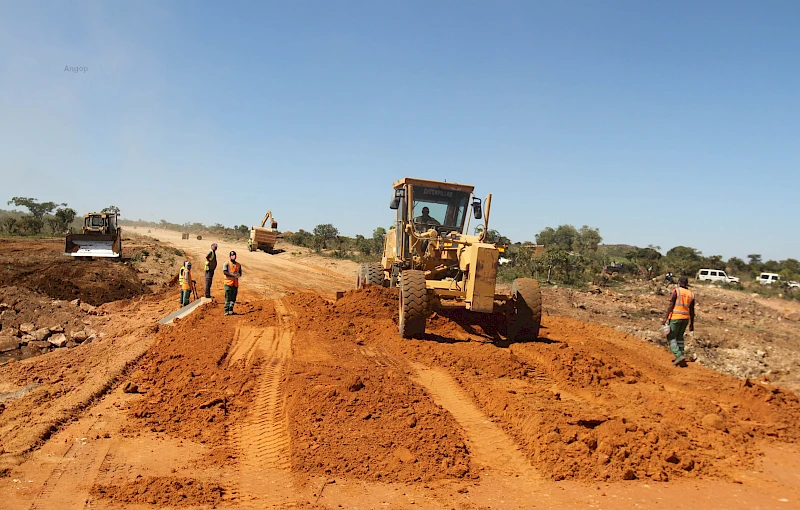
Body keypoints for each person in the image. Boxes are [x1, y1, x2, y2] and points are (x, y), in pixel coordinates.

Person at [662, 275, 695, 366]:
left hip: (675, 318)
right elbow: (692, 311)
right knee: (680, 337)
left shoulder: (676, 291)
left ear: (679, 282)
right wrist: (692, 324)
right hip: (685, 319)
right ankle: (681, 354)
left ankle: (678, 355)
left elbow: (671, 305)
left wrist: (665, 318)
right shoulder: (691, 294)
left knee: (671, 337)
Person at [223, 250, 242, 316]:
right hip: (228, 283)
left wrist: (238, 275)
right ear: (230, 256)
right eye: (232, 255)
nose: (233, 257)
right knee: (228, 297)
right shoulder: (226, 263)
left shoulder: (238, 265)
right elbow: (225, 272)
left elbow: (240, 273)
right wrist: (233, 275)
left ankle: (231, 310)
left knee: (233, 298)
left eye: (234, 255)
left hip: (235, 284)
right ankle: (226, 310)